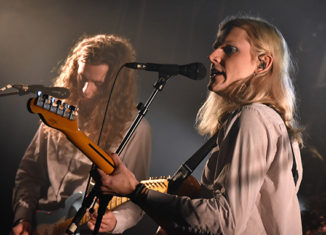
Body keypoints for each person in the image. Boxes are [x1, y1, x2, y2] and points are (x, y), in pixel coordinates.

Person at [96, 15, 304, 235]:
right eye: (216, 48)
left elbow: (225, 222)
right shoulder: (270, 122)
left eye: (230, 49)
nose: (212, 56)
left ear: (262, 63)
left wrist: (136, 192)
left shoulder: (253, 117)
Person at [11, 34, 152, 234]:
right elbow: (29, 173)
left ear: (116, 86)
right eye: (82, 78)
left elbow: (138, 196)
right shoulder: (56, 112)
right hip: (41, 223)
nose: (86, 90)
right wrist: (23, 217)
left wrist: (116, 221)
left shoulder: (136, 127)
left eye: (98, 83)